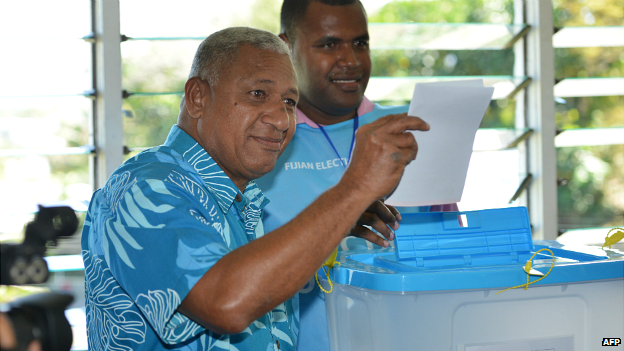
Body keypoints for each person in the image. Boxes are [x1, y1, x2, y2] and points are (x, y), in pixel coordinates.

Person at [81, 27, 429, 351]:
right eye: (257, 94)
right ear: (198, 97)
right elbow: (226, 303)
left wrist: (335, 226)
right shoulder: (144, 188)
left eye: (290, 102)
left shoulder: (240, 205)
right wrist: (352, 191)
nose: (280, 120)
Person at [255, 1, 458, 350]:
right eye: (329, 44)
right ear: (286, 47)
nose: (351, 60)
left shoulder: (406, 132)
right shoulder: (258, 141)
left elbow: (453, 262)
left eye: (360, 43)